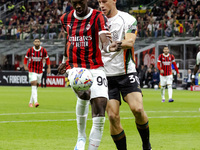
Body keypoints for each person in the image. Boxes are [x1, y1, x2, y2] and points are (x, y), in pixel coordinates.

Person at [59, 0, 121, 149]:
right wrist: (64, 60)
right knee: (84, 94)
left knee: (100, 107)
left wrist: (108, 47)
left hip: (96, 66)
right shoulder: (65, 18)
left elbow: (103, 37)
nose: (78, 6)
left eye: (80, 2)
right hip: (75, 66)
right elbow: (67, 39)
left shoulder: (98, 16)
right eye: (75, 3)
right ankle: (81, 136)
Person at [98, 0, 152, 149]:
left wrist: (115, 44)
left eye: (104, 1)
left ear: (114, 0)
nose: (101, 5)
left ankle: (146, 145)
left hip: (126, 72)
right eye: (99, 2)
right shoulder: (95, 21)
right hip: (105, 75)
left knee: (138, 109)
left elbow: (130, 42)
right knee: (112, 117)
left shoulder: (127, 19)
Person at [24, 39, 51, 107]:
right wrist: (25, 66)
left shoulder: (43, 50)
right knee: (34, 83)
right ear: (33, 43)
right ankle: (36, 102)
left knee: (36, 86)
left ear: (40, 43)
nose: (37, 43)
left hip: (40, 70)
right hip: (32, 69)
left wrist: (48, 67)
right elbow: (25, 58)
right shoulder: (30, 50)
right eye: (35, 41)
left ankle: (30, 102)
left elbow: (47, 59)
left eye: (38, 41)